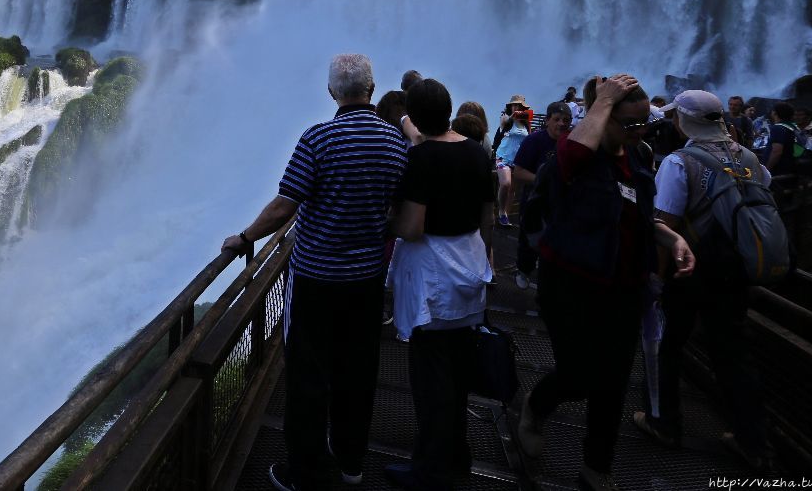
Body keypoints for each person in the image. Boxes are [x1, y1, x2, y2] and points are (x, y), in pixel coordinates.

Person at [222, 54, 408, 491]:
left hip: (316, 279)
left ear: (331, 93)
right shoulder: (395, 142)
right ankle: (351, 464)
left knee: (307, 375)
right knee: (357, 372)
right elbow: (397, 210)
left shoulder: (318, 139)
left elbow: (285, 205)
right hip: (365, 281)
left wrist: (244, 238)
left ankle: (306, 472)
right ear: (373, 88)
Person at [515, 75, 695, 491]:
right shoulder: (576, 157)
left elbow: (640, 215)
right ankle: (534, 407)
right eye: (629, 123)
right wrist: (601, 100)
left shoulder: (640, 155)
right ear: (603, 117)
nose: (640, 130)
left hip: (624, 286)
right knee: (578, 375)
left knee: (613, 382)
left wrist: (673, 237)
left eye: (642, 122)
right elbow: (571, 156)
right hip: (571, 285)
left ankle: (598, 467)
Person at [633, 90, 773, 470]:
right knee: (733, 354)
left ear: (683, 121)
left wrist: (656, 279)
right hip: (735, 271)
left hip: (688, 269)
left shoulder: (680, 163)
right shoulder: (749, 158)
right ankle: (753, 442)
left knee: (668, 345)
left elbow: (665, 225)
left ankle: (664, 422)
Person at [383, 79, 494, 490]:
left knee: (431, 382)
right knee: (458, 376)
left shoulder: (421, 160)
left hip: (433, 275)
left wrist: (383, 224)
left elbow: (411, 228)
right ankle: (457, 458)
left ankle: (428, 471)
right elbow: (487, 218)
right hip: (470, 267)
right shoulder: (476, 152)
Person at [511, 102, 573, 282]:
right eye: (557, 119)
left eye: (566, 120)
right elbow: (519, 171)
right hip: (535, 201)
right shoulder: (534, 141)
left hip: (561, 203)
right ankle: (524, 269)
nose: (561, 124)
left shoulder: (571, 142)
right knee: (528, 238)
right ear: (547, 120)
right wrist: (545, 180)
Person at [494, 96, 531, 226]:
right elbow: (504, 122)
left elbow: (528, 139)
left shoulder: (526, 123)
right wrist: (512, 117)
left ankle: (505, 217)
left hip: (517, 159)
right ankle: (501, 212)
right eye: (514, 105)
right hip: (503, 156)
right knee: (505, 183)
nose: (516, 108)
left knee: (512, 189)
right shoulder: (506, 118)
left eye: (519, 106)